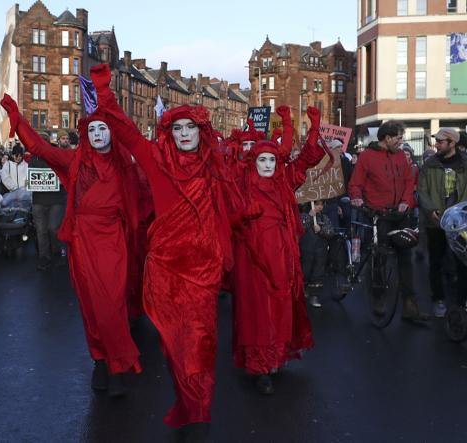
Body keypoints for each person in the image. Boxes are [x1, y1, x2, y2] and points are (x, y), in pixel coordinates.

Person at [91, 63, 236, 437]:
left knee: (201, 342)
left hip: (203, 268)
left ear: (201, 131)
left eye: (190, 127)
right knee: (176, 345)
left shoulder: (215, 166)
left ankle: (198, 409)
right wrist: (104, 90)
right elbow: (122, 127)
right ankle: (188, 399)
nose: (184, 133)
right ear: (168, 133)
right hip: (167, 269)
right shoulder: (155, 160)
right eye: (177, 128)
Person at [1, 92, 143, 398]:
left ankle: (118, 363)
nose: (96, 134)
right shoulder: (75, 160)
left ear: (111, 132)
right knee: (91, 305)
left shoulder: (125, 164)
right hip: (82, 240)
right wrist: (18, 118)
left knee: (111, 304)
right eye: (91, 130)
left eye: (102, 128)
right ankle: (101, 360)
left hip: (112, 240)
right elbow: (39, 147)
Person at [231, 107, 329, 395]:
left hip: (282, 256)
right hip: (252, 258)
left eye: (271, 159)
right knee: (257, 312)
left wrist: (314, 127)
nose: (267, 164)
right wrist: (244, 215)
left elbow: (307, 160)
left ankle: (275, 358)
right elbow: (226, 218)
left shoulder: (284, 181)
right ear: (253, 161)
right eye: (262, 159)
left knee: (280, 308)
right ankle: (260, 367)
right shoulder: (240, 184)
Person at [348, 120, 428, 323]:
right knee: (380, 256)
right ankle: (378, 296)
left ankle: (410, 305)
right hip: (378, 213)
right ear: (387, 138)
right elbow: (355, 183)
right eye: (398, 138)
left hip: (400, 214)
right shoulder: (366, 157)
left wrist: (406, 201)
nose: (401, 142)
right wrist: (356, 197)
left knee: (405, 257)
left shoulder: (401, 155)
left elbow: (409, 182)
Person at [417, 127, 467, 317]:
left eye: (440, 141)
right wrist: (431, 210)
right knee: (436, 263)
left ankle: (463, 303)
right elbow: (421, 192)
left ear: (452, 143)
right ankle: (438, 299)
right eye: (437, 141)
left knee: (463, 264)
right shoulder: (429, 164)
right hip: (436, 222)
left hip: (461, 223)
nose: (437, 144)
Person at [29, 133, 67, 271]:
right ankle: (44, 258)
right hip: (38, 200)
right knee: (41, 231)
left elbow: (66, 174)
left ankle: (57, 252)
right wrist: (29, 182)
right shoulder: (34, 158)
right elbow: (31, 176)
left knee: (53, 228)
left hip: (56, 199)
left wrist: (61, 181)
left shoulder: (57, 155)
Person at [0, 144, 32, 210]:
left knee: (22, 213)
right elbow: (5, 178)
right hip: (10, 193)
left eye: (20, 156)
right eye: (16, 155)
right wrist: (16, 189)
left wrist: (23, 190)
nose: (18, 158)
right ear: (12, 155)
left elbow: (28, 179)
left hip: (24, 196)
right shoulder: (7, 164)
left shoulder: (26, 165)